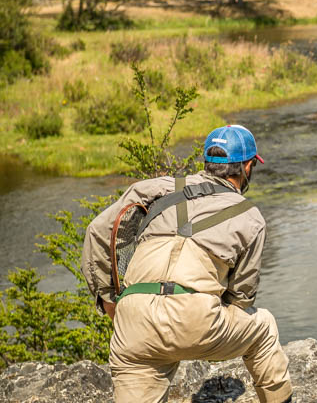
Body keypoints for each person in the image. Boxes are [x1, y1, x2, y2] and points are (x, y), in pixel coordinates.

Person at [81, 125, 293, 403]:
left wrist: (110, 301)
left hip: (133, 320)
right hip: (197, 321)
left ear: (208, 162)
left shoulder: (154, 188)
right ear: (248, 167)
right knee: (263, 326)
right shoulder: (250, 216)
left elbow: (97, 231)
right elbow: (241, 298)